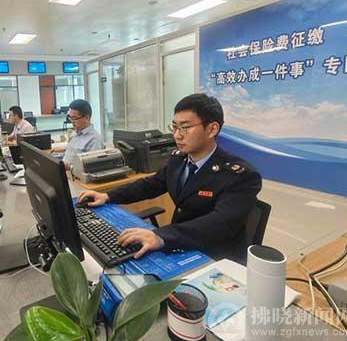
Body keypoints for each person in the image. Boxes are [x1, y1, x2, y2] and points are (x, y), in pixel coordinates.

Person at [78, 93, 262, 263]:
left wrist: (161, 235)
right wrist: (109, 196)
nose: (177, 135)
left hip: (214, 257)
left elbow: (220, 223)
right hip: (179, 245)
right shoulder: (179, 159)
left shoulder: (240, 175)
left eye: (185, 127)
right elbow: (152, 184)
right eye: (174, 127)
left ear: (212, 129)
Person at [62, 99, 104, 166]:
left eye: (74, 118)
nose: (71, 122)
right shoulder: (75, 133)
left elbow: (92, 168)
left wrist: (69, 167)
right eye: (70, 117)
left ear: (87, 118)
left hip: (72, 172)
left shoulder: (94, 140)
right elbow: (69, 154)